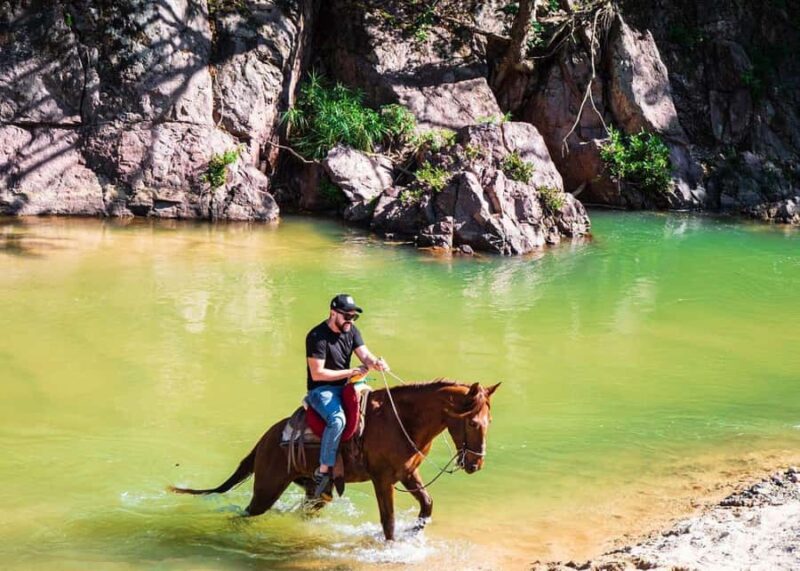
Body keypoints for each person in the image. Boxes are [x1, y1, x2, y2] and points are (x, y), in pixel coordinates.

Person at [305, 294, 389, 500]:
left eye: (354, 317)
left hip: (348, 385)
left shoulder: (352, 331)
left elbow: (365, 356)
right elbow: (318, 373)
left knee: (379, 408)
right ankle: (323, 470)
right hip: (321, 390)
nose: (350, 321)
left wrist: (375, 363)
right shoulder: (317, 336)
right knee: (337, 420)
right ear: (333, 313)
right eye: (346, 316)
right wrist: (351, 372)